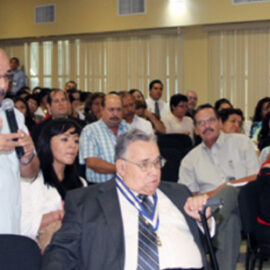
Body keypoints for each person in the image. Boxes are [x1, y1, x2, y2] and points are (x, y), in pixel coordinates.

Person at [42, 129, 213, 270]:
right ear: (121, 167)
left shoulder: (180, 193)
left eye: (157, 162)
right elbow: (61, 251)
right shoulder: (86, 201)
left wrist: (204, 220)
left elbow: (207, 243)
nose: (154, 171)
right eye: (144, 164)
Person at [178, 104, 259, 270]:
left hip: (247, 207)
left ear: (220, 123)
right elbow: (189, 197)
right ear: (196, 129)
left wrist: (225, 187)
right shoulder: (189, 160)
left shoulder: (241, 143)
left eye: (211, 120)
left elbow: (255, 178)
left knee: (230, 191)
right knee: (231, 222)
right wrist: (215, 195)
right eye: (201, 123)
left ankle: (211, 232)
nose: (207, 126)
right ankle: (214, 230)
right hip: (211, 213)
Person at [21, 118, 86, 252]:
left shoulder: (80, 183)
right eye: (64, 139)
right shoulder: (31, 181)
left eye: (76, 141)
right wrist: (61, 215)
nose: (72, 145)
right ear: (47, 142)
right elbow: (22, 226)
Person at [0, 48, 39, 234]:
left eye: (6, 77)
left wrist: (28, 156)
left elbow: (30, 174)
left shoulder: (13, 116)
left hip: (8, 228)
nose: (3, 86)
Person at [79, 93, 129, 184]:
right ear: (102, 110)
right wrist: (122, 169)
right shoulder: (90, 131)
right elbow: (92, 162)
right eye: (111, 110)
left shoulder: (129, 130)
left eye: (119, 110)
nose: (115, 114)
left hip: (127, 185)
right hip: (99, 187)